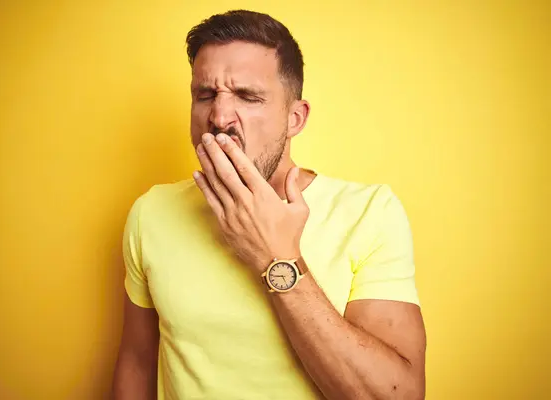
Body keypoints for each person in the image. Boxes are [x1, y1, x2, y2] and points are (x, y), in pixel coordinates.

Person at [112, 9, 426, 400]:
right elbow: (138, 361)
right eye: (204, 95)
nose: (220, 116)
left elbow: (395, 395)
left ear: (295, 118)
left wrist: (274, 256)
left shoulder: (369, 213)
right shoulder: (152, 213)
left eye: (248, 96)